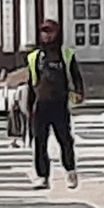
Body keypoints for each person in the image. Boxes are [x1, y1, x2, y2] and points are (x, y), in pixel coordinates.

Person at [22, 18, 83, 190]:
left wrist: (78, 92)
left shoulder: (65, 54)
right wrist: (29, 106)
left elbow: (75, 75)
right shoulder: (35, 57)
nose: (46, 35)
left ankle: (70, 172)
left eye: (50, 32)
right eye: (44, 31)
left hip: (60, 103)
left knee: (65, 140)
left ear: (57, 33)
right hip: (41, 105)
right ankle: (42, 176)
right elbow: (31, 82)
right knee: (39, 142)